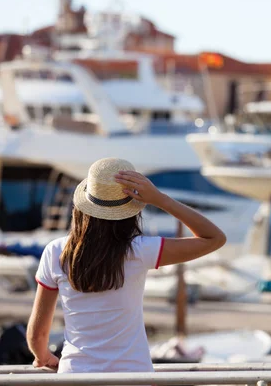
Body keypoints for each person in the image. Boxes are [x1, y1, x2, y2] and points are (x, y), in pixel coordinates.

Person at [26, 157, 226, 373]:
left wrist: (43, 357)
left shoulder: (57, 252)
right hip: (132, 376)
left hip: (77, 375)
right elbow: (214, 238)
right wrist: (161, 200)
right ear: (131, 211)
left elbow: (37, 335)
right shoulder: (140, 250)